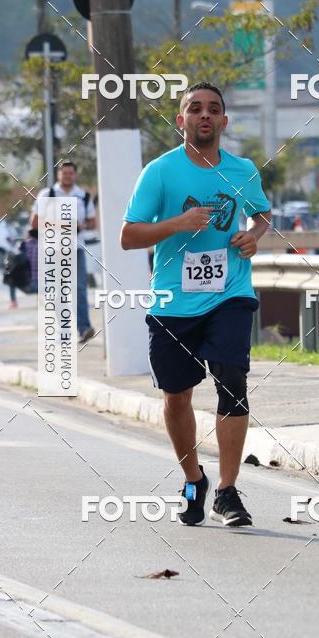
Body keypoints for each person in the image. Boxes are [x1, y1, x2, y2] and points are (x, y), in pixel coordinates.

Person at [121, 82, 272, 527]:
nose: (204, 115)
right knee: (176, 397)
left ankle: (227, 490)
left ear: (224, 121)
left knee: (232, 378)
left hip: (230, 293)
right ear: (180, 120)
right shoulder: (160, 172)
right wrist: (178, 224)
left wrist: (254, 235)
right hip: (172, 302)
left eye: (213, 109)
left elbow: (262, 213)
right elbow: (128, 236)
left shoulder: (243, 170)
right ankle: (194, 479)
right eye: (195, 109)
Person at [31, 161, 96, 343]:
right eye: (64, 173)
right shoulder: (47, 195)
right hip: (53, 250)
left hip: (76, 249)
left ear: (75, 175)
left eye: (70, 173)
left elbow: (93, 222)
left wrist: (82, 225)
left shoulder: (83, 196)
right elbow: (35, 223)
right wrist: (65, 225)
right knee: (58, 292)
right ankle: (63, 331)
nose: (67, 176)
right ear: (59, 175)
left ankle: (84, 329)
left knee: (80, 290)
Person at [4, 228, 39, 309]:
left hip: (26, 285)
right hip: (41, 287)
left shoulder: (23, 245)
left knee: (11, 278)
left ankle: (13, 302)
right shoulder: (44, 246)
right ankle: (40, 301)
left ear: (28, 235)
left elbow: (11, 259)